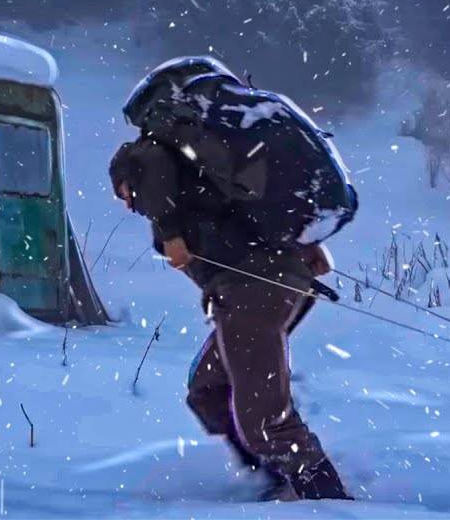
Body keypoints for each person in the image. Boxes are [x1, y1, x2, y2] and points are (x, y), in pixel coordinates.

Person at [109, 137, 352, 501]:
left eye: (123, 192)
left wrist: (171, 232)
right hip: (260, 289)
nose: (128, 203)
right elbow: (244, 217)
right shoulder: (202, 185)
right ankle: (273, 480)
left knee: (266, 423)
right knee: (207, 390)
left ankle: (328, 501)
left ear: (130, 177)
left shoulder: (150, 167)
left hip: (252, 293)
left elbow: (154, 175)